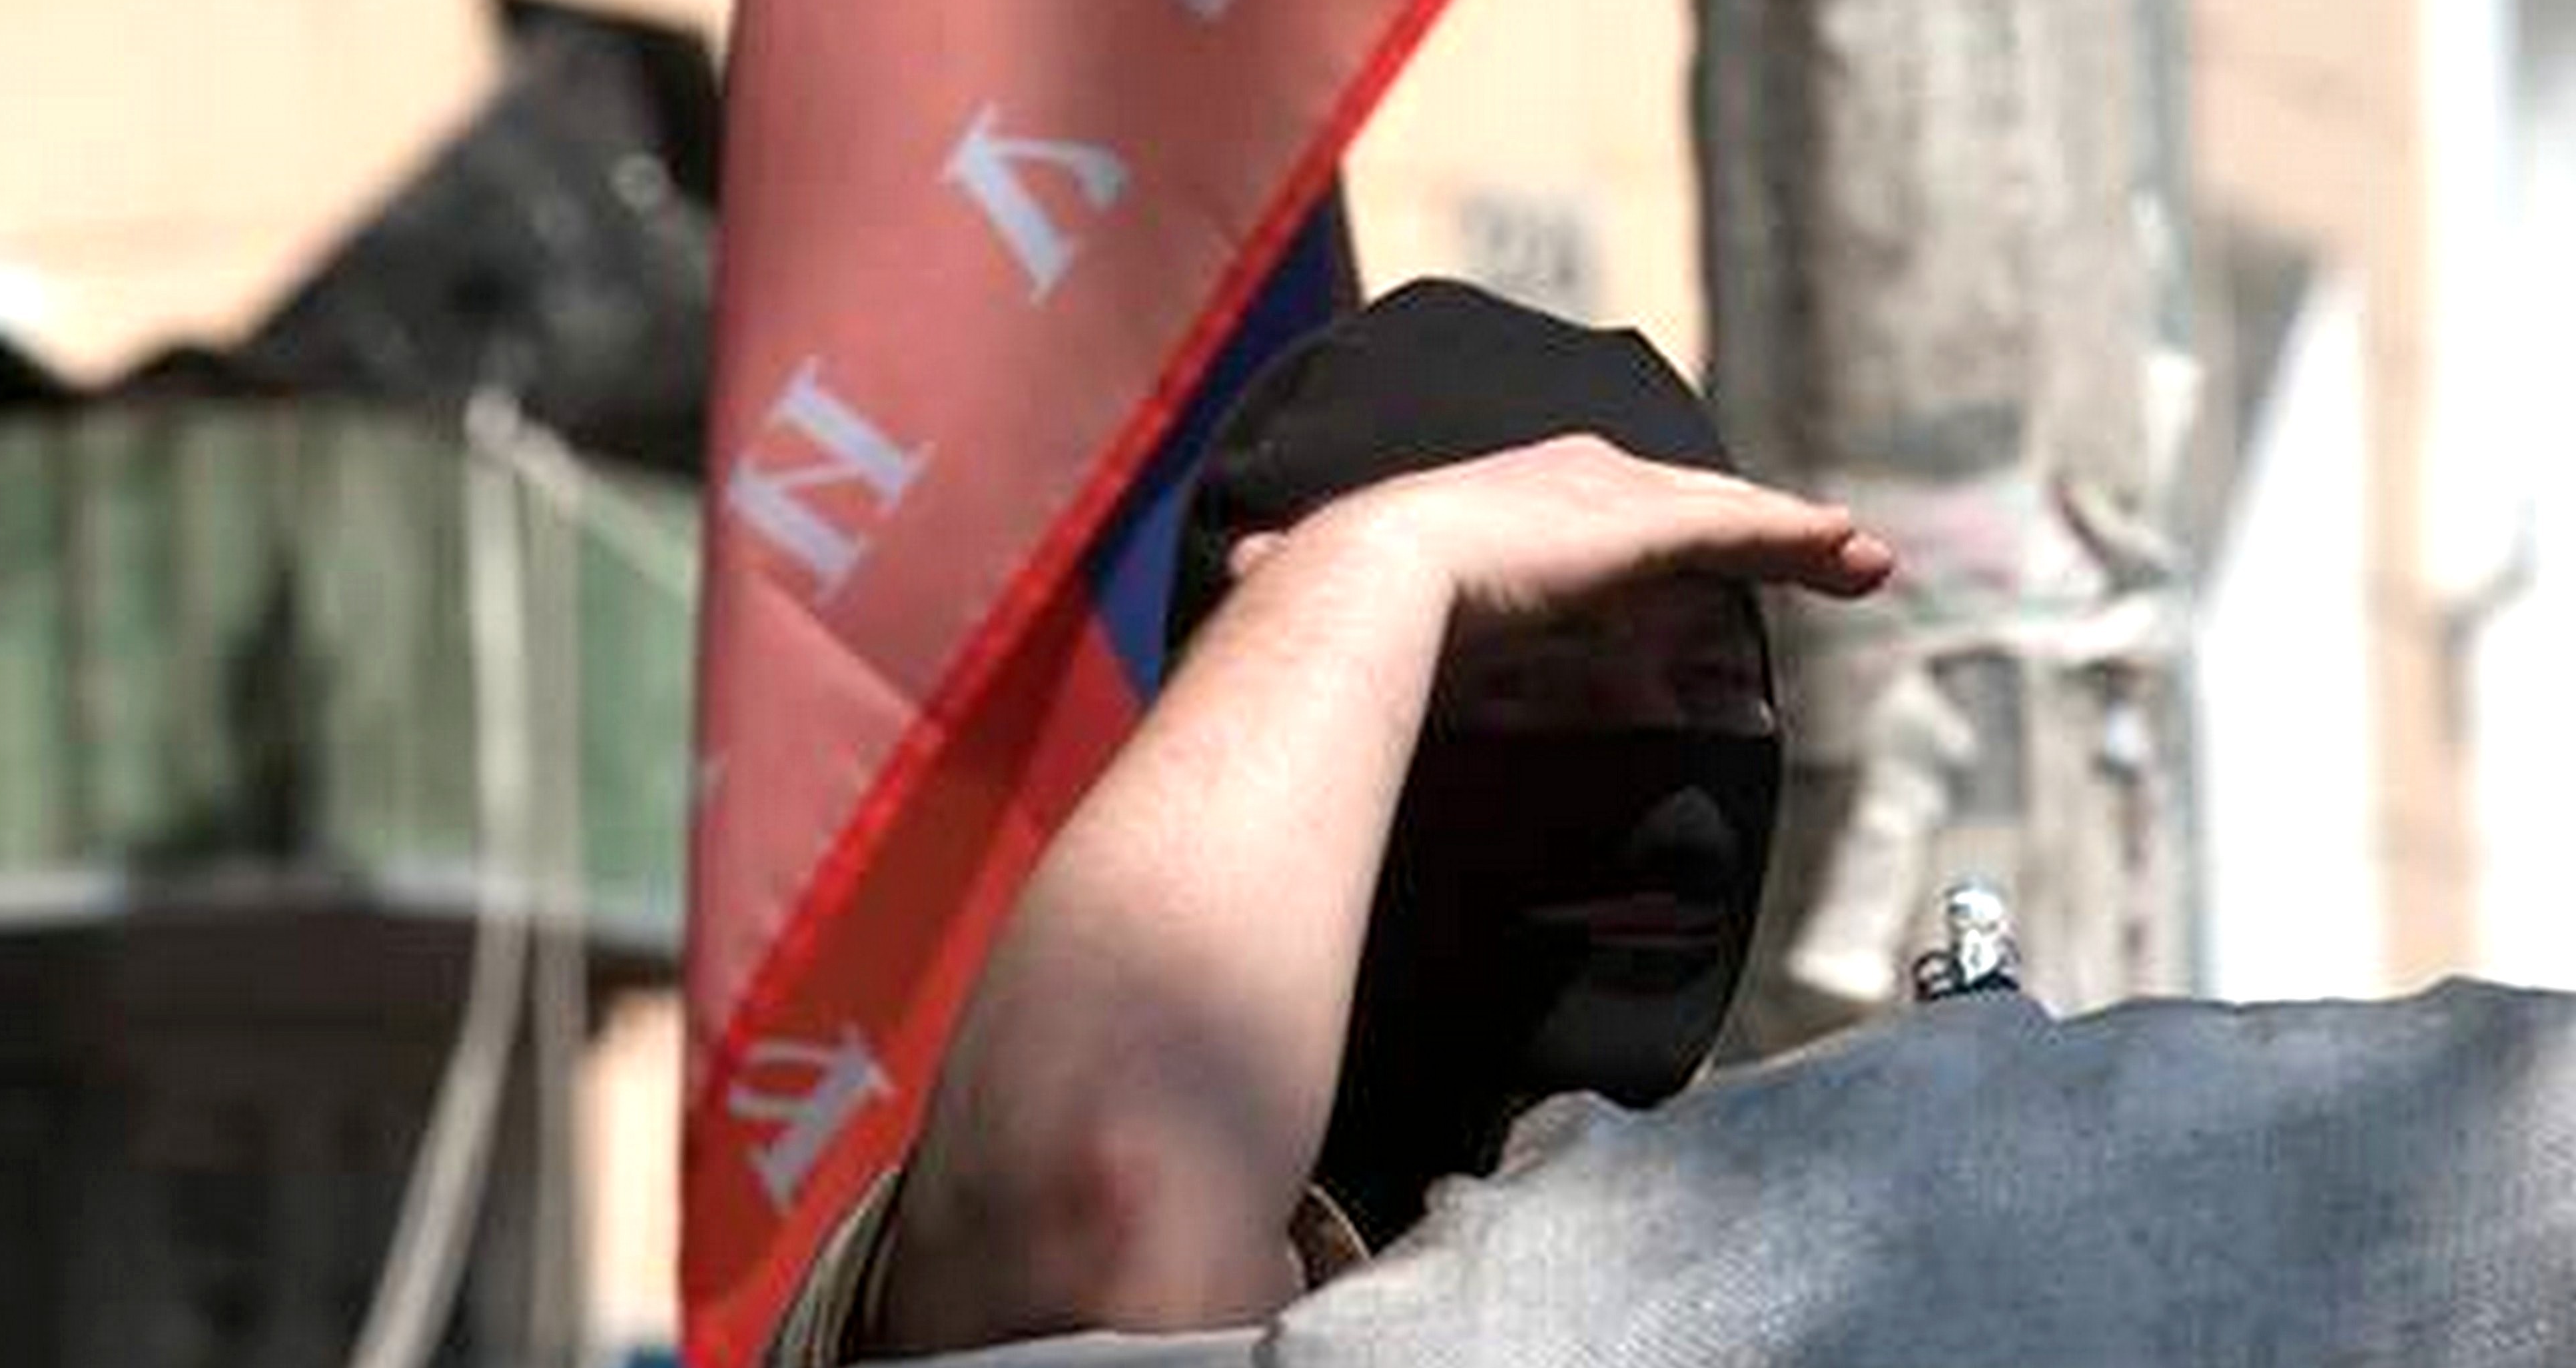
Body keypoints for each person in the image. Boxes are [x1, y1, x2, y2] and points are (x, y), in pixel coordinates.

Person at [771, 279, 1895, 1363]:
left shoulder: (1822, 1253)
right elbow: (1105, 1215)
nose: (1666, 786)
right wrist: (1378, 561)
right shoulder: (1002, 1231)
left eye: (1712, 682)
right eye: (1527, 688)